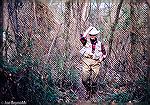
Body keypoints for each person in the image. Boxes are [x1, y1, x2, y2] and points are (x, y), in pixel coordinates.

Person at [80, 26, 106, 97]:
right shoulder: (85, 42)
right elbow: (82, 38)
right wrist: (88, 30)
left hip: (96, 62)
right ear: (89, 35)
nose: (92, 36)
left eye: (94, 34)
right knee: (84, 80)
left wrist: (101, 60)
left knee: (94, 80)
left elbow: (104, 54)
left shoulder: (100, 44)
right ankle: (88, 90)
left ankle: (93, 93)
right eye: (91, 34)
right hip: (86, 61)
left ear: (96, 35)